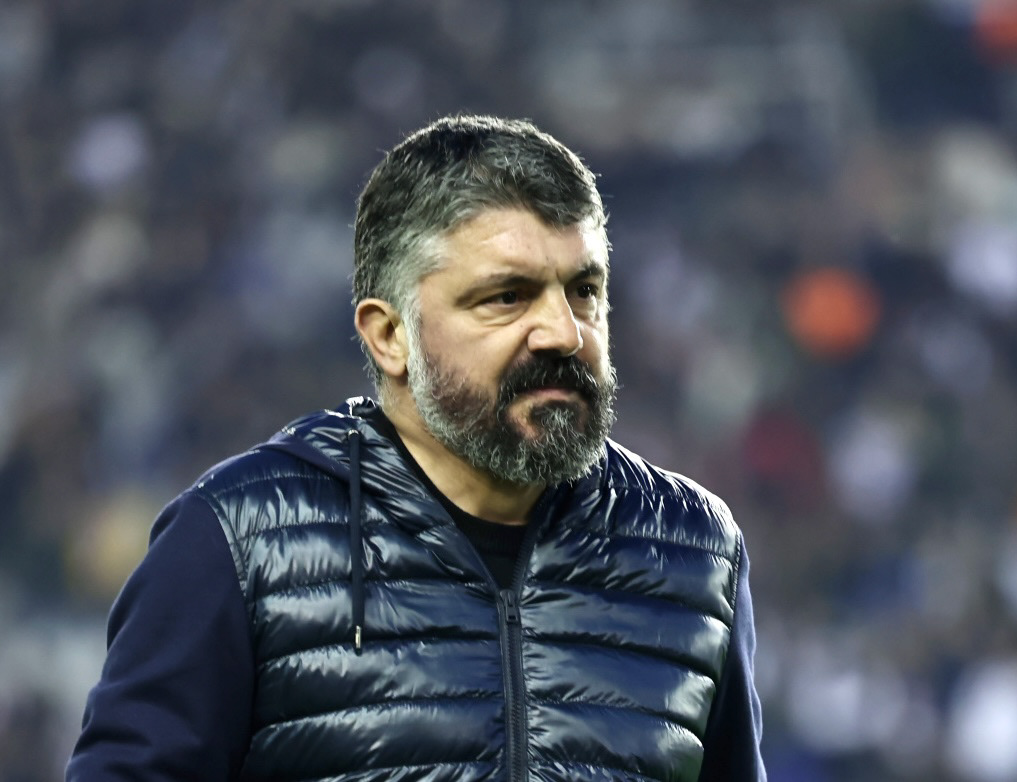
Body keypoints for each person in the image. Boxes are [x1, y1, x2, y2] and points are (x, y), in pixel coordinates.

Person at [67, 115, 766, 781]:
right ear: (389, 335)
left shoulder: (695, 552)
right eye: (507, 297)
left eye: (584, 291)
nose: (564, 332)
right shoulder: (238, 542)